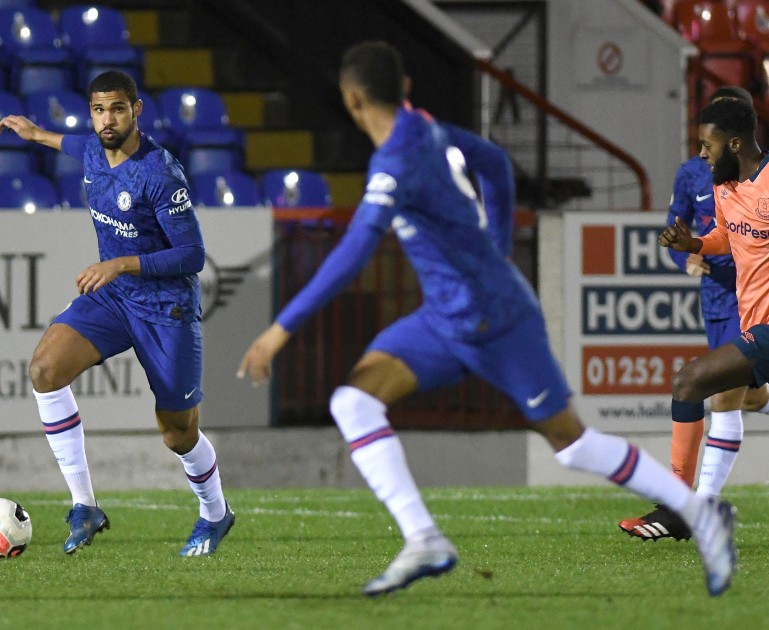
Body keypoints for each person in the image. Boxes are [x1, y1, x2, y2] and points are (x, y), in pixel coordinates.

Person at [237, 40, 737, 597]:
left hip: (495, 317)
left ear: (351, 100)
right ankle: (423, 538)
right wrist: (497, 246)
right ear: (403, 89)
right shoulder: (424, 126)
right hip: (447, 317)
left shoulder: (397, 157)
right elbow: (495, 162)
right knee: (353, 400)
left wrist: (278, 331)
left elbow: (355, 250)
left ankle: (698, 511)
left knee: (571, 444)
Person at [0, 70, 234, 557]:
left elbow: (193, 255)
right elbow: (70, 144)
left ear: (136, 110)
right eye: (100, 110)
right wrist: (35, 133)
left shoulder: (159, 174)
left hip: (165, 309)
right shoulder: (90, 151)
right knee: (44, 369)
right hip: (114, 297)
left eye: (118, 109)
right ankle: (85, 505)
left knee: (177, 433)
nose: (108, 119)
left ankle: (216, 513)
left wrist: (121, 262)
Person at [619, 87, 769, 541]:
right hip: (752, 320)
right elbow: (728, 236)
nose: (701, 154)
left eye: (708, 145)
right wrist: (695, 245)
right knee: (726, 396)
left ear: (736, 143)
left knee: (690, 382)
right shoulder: (724, 187)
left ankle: (683, 508)